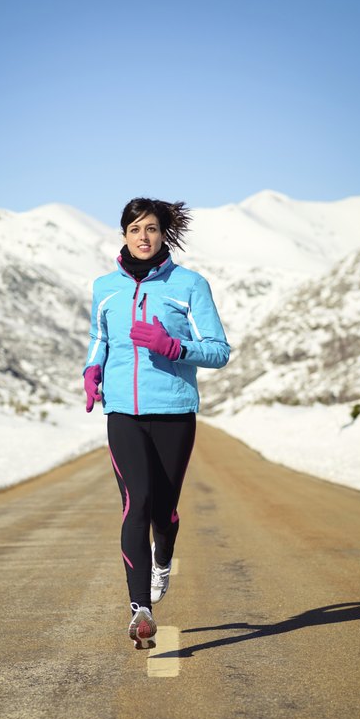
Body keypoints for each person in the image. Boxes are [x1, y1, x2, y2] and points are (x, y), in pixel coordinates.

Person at [83, 198, 230, 649]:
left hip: (174, 412)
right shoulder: (105, 287)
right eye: (133, 229)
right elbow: (99, 339)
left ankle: (162, 558)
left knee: (164, 512)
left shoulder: (189, 285)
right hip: (123, 413)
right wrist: (92, 370)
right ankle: (139, 609)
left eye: (150, 228)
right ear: (123, 235)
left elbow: (219, 350)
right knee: (137, 503)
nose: (142, 237)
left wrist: (174, 346)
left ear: (163, 233)